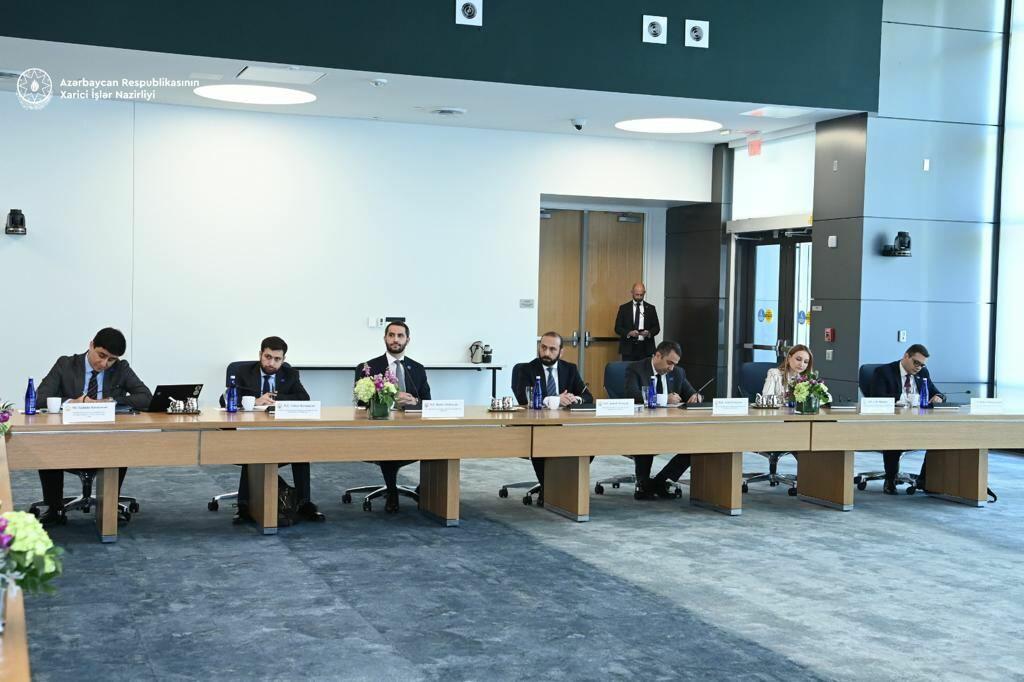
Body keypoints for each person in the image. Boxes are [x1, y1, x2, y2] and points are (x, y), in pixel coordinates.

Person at [34, 327, 152, 527]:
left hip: (106, 439)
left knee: (121, 444)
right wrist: (73, 402)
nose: (104, 364)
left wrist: (110, 401)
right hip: (67, 438)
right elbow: (39, 399)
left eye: (111, 359)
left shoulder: (121, 368)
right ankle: (54, 508)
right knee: (46, 443)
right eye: (101, 355)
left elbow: (146, 398)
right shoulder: (66, 365)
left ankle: (110, 506)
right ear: (91, 345)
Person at [223, 336, 324, 525]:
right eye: (268, 357)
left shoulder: (290, 373)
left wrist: (276, 399)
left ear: (283, 359)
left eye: (277, 359)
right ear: (260, 355)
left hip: (279, 433)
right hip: (249, 433)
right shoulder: (244, 372)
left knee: (301, 451)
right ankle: (243, 506)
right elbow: (226, 399)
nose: (271, 363)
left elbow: (304, 398)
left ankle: (304, 503)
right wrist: (256, 401)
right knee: (252, 451)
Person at [356, 321, 431, 513]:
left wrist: (414, 401)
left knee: (440, 441)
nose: (395, 339)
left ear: (407, 340)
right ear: (385, 338)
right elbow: (362, 404)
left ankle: (428, 488)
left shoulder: (417, 368)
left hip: (412, 429)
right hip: (380, 430)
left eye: (400, 335)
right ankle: (391, 492)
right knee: (389, 442)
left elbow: (428, 403)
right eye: (391, 335)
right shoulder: (368, 367)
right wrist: (388, 399)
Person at [512, 332, 594, 497]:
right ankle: (549, 488)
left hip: (565, 425)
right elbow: (524, 399)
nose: (546, 353)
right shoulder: (527, 369)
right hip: (538, 425)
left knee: (589, 442)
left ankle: (564, 485)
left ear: (561, 352)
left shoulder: (570, 369)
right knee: (542, 440)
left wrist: (575, 399)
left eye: (552, 349)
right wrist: (556, 400)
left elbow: (587, 396)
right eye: (543, 348)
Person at [624, 340, 702, 499]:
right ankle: (643, 485)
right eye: (669, 363)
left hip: (672, 425)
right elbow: (632, 395)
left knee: (698, 441)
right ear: (658, 355)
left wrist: (697, 397)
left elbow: (691, 393)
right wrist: (663, 399)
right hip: (642, 425)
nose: (671, 368)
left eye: (675, 364)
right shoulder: (636, 369)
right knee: (647, 437)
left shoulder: (678, 372)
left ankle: (661, 480)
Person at [868, 344, 945, 494]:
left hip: (918, 422)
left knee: (939, 436)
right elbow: (876, 398)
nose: (918, 367)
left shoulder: (923, 373)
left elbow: (936, 392)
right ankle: (890, 479)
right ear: (906, 356)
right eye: (916, 363)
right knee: (895, 434)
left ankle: (925, 480)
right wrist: (902, 400)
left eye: (922, 365)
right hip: (891, 423)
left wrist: (939, 397)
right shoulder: (884, 372)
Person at [614, 282, 660, 361]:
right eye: (637, 295)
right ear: (632, 292)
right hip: (628, 348)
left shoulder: (651, 308)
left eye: (641, 295)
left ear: (644, 293)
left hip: (646, 348)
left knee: (645, 369)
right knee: (628, 369)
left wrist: (648, 333)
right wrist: (629, 333)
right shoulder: (624, 308)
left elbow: (656, 328)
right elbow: (617, 328)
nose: (639, 297)